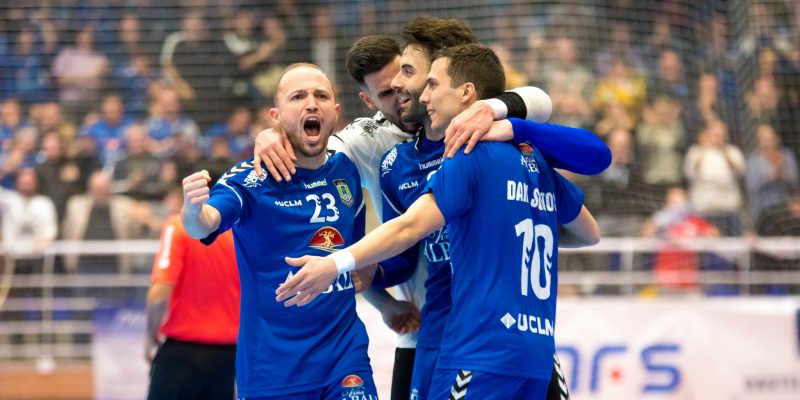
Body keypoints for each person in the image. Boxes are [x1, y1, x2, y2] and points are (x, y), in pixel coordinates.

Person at [255, 22, 608, 400]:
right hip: (464, 333)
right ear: (368, 101)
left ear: (458, 89)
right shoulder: (386, 151)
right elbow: (401, 251)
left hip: (477, 342)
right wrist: (273, 133)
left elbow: (410, 227)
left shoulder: (474, 147)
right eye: (387, 91)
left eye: (410, 75)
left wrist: (335, 263)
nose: (406, 91)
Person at [181, 63, 378, 399]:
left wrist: (378, 291)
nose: (311, 103)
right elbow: (205, 225)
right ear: (275, 115)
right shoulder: (250, 179)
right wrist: (192, 209)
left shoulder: (348, 167)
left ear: (335, 111)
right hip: (272, 371)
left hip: (345, 360)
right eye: (298, 97)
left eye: (321, 95)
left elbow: (360, 241)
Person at [146, 183, 239, 400]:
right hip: (226, 357)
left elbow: (158, 295)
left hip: (181, 353)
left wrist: (150, 337)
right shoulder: (239, 232)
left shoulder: (177, 226)